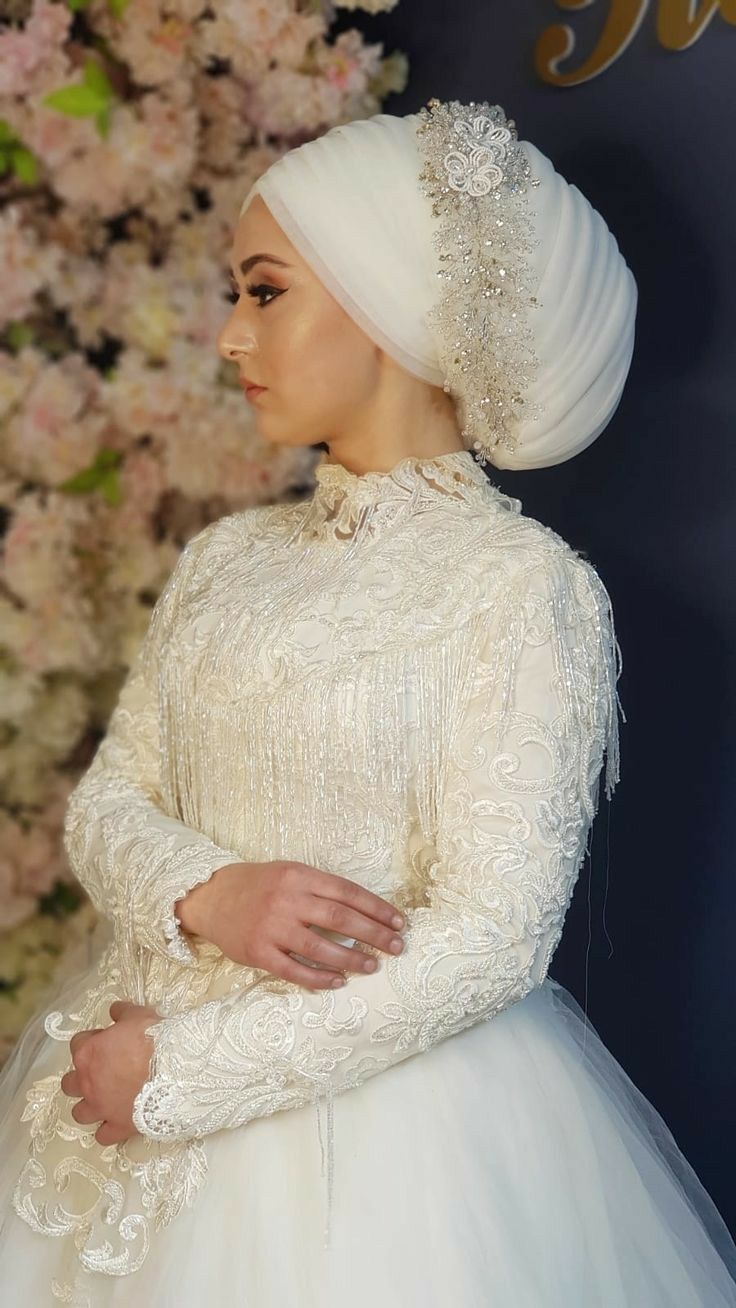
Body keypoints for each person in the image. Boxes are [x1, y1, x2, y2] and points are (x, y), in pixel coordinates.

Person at [0, 98, 733, 1306]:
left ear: (387, 297)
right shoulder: (225, 559)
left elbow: (494, 939)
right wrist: (209, 892)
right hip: (117, 1096)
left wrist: (180, 1075)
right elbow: (109, 802)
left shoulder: (520, 587)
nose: (230, 339)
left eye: (265, 291)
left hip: (388, 1149)